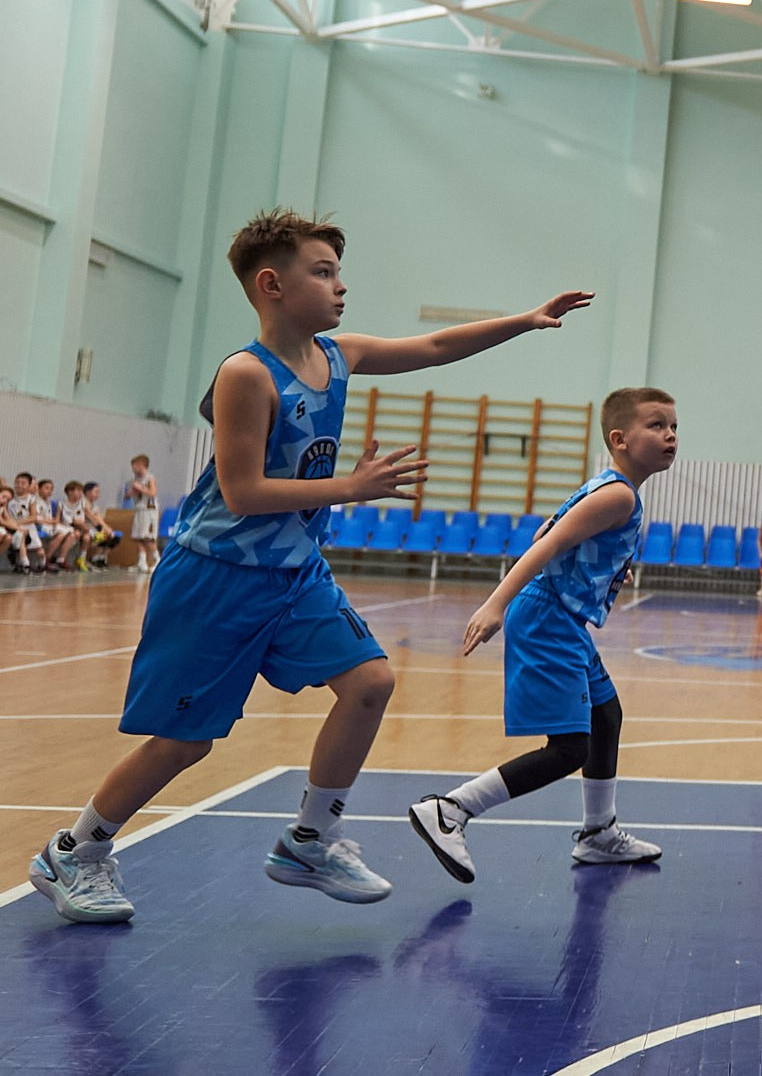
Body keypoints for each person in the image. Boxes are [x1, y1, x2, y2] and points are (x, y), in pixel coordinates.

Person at [27, 209, 590, 925]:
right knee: (184, 742)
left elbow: (437, 344)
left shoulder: (338, 355)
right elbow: (242, 492)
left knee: (370, 682)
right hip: (216, 576)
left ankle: (310, 838)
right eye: (322, 272)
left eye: (337, 272)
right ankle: (75, 852)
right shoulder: (244, 375)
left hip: (294, 571)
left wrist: (526, 319)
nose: (340, 286)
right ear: (271, 285)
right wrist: (350, 488)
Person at [407, 389, 675, 882]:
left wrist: (608, 568)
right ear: (620, 439)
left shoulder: (608, 486)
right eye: (656, 425)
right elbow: (547, 544)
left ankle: (599, 835)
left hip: (561, 616)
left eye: (673, 426)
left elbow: (546, 531)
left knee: (605, 714)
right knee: (571, 746)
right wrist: (495, 603)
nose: (670, 434)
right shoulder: (618, 494)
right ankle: (451, 810)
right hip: (548, 616)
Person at [123, 456, 161, 572]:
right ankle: (141, 562)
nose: (133, 469)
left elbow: (153, 493)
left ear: (140, 465)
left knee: (147, 537)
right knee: (137, 537)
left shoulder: (150, 478)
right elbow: (128, 496)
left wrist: (141, 488)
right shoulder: (134, 480)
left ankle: (157, 560)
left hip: (148, 510)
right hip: (139, 509)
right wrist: (130, 492)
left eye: (134, 466)